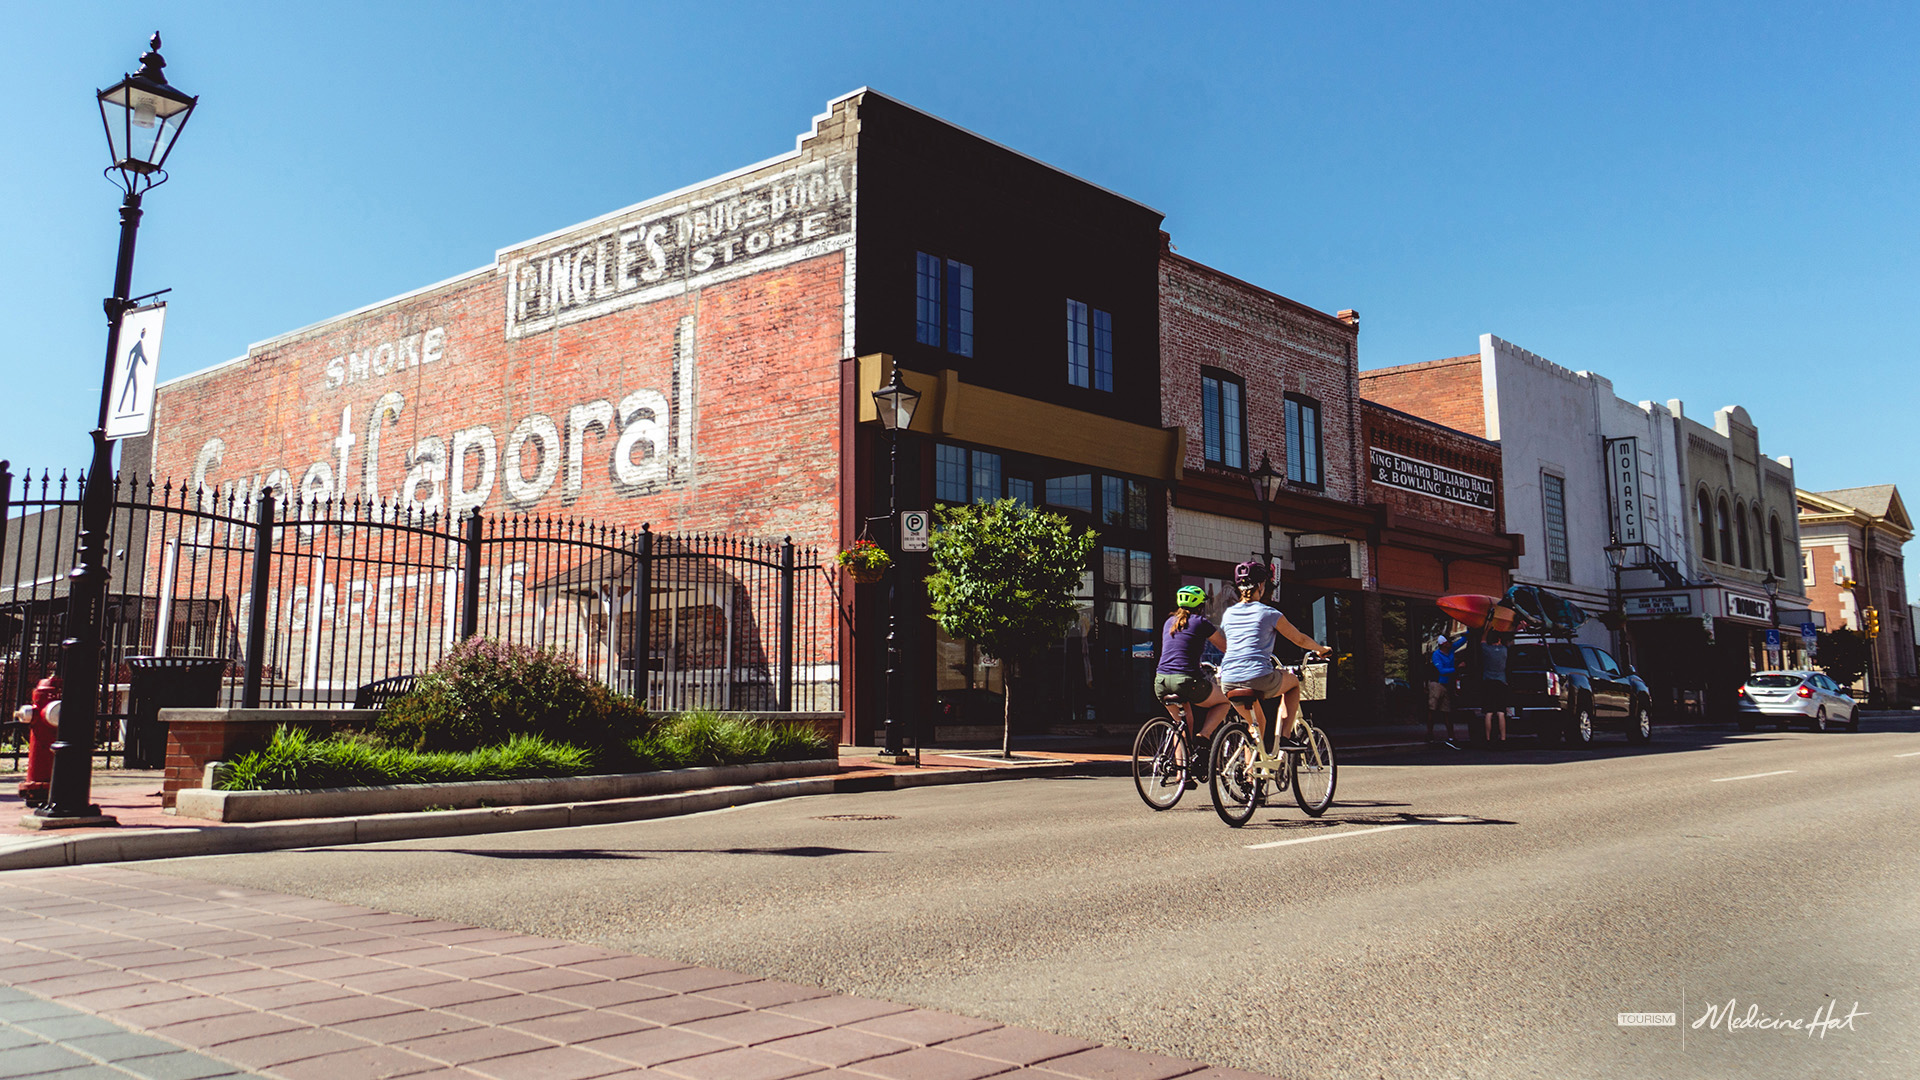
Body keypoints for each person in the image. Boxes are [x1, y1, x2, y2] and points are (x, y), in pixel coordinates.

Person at [1217, 559, 1332, 752]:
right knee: (1294, 682)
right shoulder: (1269, 613)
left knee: (1256, 725)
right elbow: (1300, 640)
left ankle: (1249, 776)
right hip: (1258, 677)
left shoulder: (1228, 614)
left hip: (1228, 680)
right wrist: (1320, 649)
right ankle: (1286, 737)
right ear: (1261, 586)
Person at [1153, 585, 1230, 777]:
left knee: (1182, 724)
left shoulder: (1169, 622)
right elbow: (1224, 648)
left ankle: (1182, 775)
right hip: (1186, 681)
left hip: (1161, 681)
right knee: (1225, 700)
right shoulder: (1201, 622)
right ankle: (1204, 736)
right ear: (1200, 606)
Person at [1425, 632, 1457, 747]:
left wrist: (1469, 632)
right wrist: (1456, 668)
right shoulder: (1437, 655)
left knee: (1447, 711)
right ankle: (1429, 733)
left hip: (1446, 684)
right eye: (1448, 642)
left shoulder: (1450, 651)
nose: (1451, 644)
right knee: (1432, 709)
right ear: (1444, 644)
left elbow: (1461, 642)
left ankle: (1451, 736)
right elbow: (1442, 671)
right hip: (1437, 684)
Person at [1479, 629, 1510, 746]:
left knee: (1488, 713)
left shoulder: (1486, 650)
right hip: (1501, 682)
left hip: (1488, 682)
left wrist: (1486, 629)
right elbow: (1509, 643)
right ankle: (1503, 739)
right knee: (1501, 712)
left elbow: (1482, 640)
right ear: (1499, 640)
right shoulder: (1504, 650)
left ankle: (1488, 739)